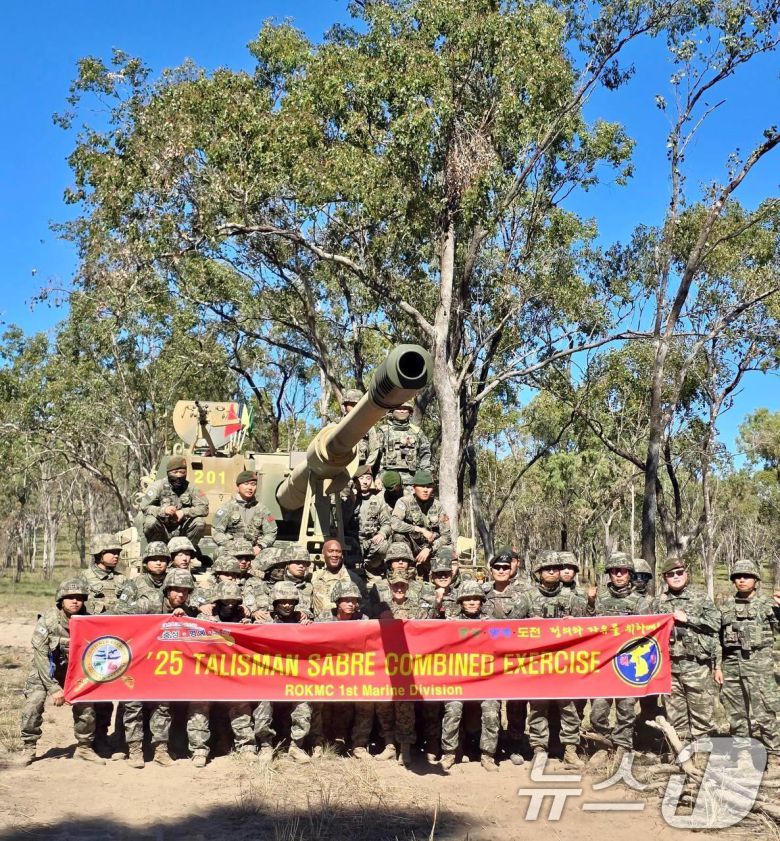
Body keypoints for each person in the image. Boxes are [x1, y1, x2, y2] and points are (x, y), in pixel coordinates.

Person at [511, 552, 587, 769]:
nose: (552, 572)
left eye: (555, 568)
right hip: (537, 665)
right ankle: (539, 749)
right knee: (538, 708)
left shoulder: (572, 597)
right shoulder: (527, 597)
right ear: (539, 573)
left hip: (565, 664)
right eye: (547, 569)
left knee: (569, 708)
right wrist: (529, 624)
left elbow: (588, 627)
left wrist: (575, 622)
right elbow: (510, 628)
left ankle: (570, 750)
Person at [19, 578, 104, 766]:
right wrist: (53, 688)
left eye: (79, 598)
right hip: (45, 672)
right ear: (60, 600)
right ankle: (29, 746)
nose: (75, 601)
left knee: (87, 708)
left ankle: (84, 747)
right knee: (33, 704)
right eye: (70, 597)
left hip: (77, 673)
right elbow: (41, 656)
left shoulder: (90, 620)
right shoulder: (48, 621)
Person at [120, 569, 199, 768]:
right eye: (176, 590)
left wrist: (184, 618)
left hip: (163, 666)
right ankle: (135, 750)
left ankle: (160, 750)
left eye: (185, 591)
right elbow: (119, 615)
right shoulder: (149, 602)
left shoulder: (187, 610)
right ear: (167, 590)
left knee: (163, 707)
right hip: (138, 663)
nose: (181, 594)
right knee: (133, 706)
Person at [651, 555, 720, 764]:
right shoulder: (658, 602)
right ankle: (681, 757)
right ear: (665, 578)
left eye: (679, 572)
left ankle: (702, 760)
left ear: (686, 574)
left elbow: (715, 624)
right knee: (676, 717)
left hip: (696, 666)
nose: (676, 577)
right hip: (669, 668)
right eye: (670, 574)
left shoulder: (700, 598)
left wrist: (688, 619)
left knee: (702, 716)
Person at [715, 559, 780, 776]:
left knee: (765, 712)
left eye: (747, 576)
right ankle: (743, 754)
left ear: (756, 580)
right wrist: (718, 667)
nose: (742, 580)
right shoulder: (725, 606)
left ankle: (774, 756)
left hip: (759, 666)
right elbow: (717, 640)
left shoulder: (768, 604)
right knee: (735, 713)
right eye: (738, 577)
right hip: (732, 666)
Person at [586, 554, 651, 766]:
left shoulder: (640, 602)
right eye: (615, 571)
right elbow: (586, 627)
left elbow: (648, 633)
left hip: (628, 665)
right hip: (603, 665)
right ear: (609, 574)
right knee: (598, 711)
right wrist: (590, 603)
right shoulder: (600, 599)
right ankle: (603, 744)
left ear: (630, 574)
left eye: (623, 571)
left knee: (626, 710)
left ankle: (623, 745)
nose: (619, 575)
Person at [188, 580, 255, 767]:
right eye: (226, 601)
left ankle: (247, 746)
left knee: (241, 706)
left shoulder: (242, 617)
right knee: (198, 708)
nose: (230, 606)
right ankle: (199, 750)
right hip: (207, 671)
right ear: (217, 601)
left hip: (234, 672)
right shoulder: (203, 617)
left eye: (234, 602)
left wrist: (247, 626)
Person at [440, 581, 501, 773]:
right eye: (467, 599)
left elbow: (510, 636)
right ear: (461, 602)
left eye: (476, 599)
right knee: (453, 710)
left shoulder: (493, 623)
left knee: (491, 710)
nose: (472, 602)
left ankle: (488, 755)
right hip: (458, 680)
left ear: (482, 601)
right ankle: (449, 753)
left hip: (486, 681)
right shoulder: (450, 624)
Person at [311, 582, 374, 757]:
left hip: (355, 671)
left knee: (366, 701)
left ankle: (359, 745)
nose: (351, 604)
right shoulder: (324, 618)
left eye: (354, 600)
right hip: (327, 671)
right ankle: (318, 743)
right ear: (337, 601)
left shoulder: (364, 619)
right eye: (346, 600)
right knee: (316, 702)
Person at [254, 581, 314, 763]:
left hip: (296, 676)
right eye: (282, 601)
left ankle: (296, 747)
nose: (287, 605)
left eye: (291, 602)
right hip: (268, 676)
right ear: (274, 602)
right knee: (263, 708)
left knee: (303, 707)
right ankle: (265, 746)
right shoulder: (263, 621)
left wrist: (309, 627)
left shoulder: (302, 620)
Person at [374, 572, 429, 766]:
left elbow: (429, 629)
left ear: (408, 587)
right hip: (383, 666)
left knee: (405, 708)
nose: (399, 589)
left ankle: (405, 749)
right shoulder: (379, 608)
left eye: (402, 585)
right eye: (395, 585)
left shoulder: (418, 609)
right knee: (384, 706)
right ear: (389, 587)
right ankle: (390, 746)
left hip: (407, 667)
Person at [483, 547, 528, 765]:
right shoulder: (481, 594)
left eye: (505, 567)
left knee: (517, 705)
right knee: (491, 707)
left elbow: (536, 624)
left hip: (515, 659)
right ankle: (489, 752)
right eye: (497, 567)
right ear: (491, 570)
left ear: (511, 569)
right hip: (488, 660)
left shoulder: (523, 595)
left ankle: (515, 747)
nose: (501, 571)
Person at [391, 469, 452, 579]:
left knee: (448, 549)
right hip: (411, 545)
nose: (425, 490)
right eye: (422, 486)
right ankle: (403, 575)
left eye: (429, 486)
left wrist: (430, 548)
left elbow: (446, 536)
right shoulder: (404, 502)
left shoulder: (438, 506)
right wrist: (419, 529)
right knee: (398, 536)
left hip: (430, 546)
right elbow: (395, 524)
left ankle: (441, 578)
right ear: (414, 488)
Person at [139, 454, 208, 546]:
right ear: (168, 472)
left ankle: (188, 550)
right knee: (150, 522)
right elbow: (144, 506)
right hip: (162, 530)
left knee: (199, 522)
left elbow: (204, 508)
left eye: (182, 472)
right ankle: (157, 550)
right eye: (175, 472)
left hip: (183, 531)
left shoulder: (192, 488)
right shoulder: (158, 486)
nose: (178, 476)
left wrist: (184, 512)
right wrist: (163, 510)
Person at [211, 470, 277, 553]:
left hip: (255, 550)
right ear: (238, 486)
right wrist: (230, 545)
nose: (250, 488)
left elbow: (271, 532)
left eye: (253, 484)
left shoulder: (263, 509)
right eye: (246, 484)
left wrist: (260, 546)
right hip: (232, 550)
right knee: (221, 554)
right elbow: (217, 531)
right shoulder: (226, 508)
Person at [347, 466, 392, 576]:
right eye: (361, 478)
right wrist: (351, 500)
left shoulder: (378, 501)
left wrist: (382, 533)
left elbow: (387, 523)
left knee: (384, 546)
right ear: (355, 480)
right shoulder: (348, 499)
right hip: (352, 541)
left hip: (370, 541)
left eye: (368, 478)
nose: (365, 482)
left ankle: (370, 567)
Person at [376, 401, 432, 486]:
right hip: (387, 480)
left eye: (405, 409)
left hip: (411, 480)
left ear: (410, 412)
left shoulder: (417, 432)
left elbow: (425, 453)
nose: (402, 411)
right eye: (399, 408)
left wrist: (424, 474)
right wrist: (377, 477)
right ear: (392, 411)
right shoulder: (383, 431)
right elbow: (376, 455)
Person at [311, 538, 368, 615]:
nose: (335, 555)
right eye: (331, 551)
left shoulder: (353, 578)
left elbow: (365, 606)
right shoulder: (315, 576)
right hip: (318, 621)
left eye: (338, 551)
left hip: (343, 622)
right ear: (323, 553)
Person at [115, 542, 170, 613]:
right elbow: (121, 609)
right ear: (146, 562)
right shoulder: (135, 583)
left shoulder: (172, 580)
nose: (158, 563)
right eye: (154, 559)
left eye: (162, 560)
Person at [82, 533, 127, 614]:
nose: (116, 556)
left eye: (117, 552)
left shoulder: (122, 579)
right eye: (112, 552)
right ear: (99, 554)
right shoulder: (84, 578)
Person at [341, 389, 380, 469]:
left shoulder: (368, 425)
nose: (355, 407)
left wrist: (367, 467)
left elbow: (374, 448)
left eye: (358, 404)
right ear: (345, 406)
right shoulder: (335, 425)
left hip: (360, 467)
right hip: (339, 468)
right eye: (352, 404)